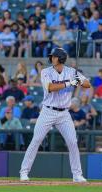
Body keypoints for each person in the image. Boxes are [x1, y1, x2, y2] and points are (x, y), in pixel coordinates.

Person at [20, 47, 91, 182]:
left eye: (54, 56)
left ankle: (77, 174)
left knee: (72, 142)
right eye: (52, 56)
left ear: (61, 58)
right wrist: (70, 82)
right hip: (47, 111)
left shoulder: (71, 72)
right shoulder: (46, 72)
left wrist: (79, 80)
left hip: (64, 113)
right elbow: (50, 88)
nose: (52, 58)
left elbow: (88, 84)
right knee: (36, 140)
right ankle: (24, 172)